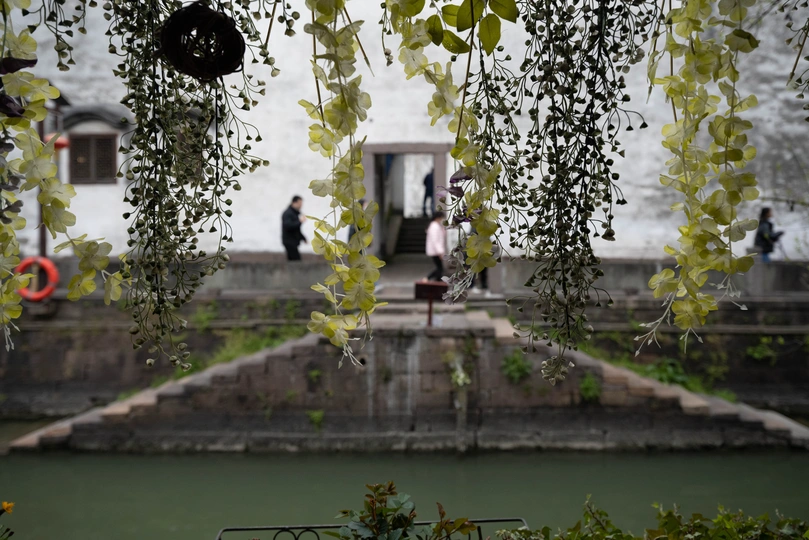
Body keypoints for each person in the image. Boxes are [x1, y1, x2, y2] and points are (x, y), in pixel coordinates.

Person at [282, 195, 307, 261]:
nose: (301, 206)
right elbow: (288, 226)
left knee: (293, 260)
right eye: (300, 204)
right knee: (296, 260)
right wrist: (300, 221)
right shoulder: (288, 213)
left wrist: (303, 238)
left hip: (293, 241)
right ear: (294, 203)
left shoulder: (294, 213)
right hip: (289, 241)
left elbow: (296, 229)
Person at [425, 211, 446, 281]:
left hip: (435, 251)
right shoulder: (434, 226)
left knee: (439, 268)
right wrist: (440, 252)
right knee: (440, 268)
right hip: (435, 251)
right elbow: (435, 240)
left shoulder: (436, 226)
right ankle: (427, 278)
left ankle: (435, 281)